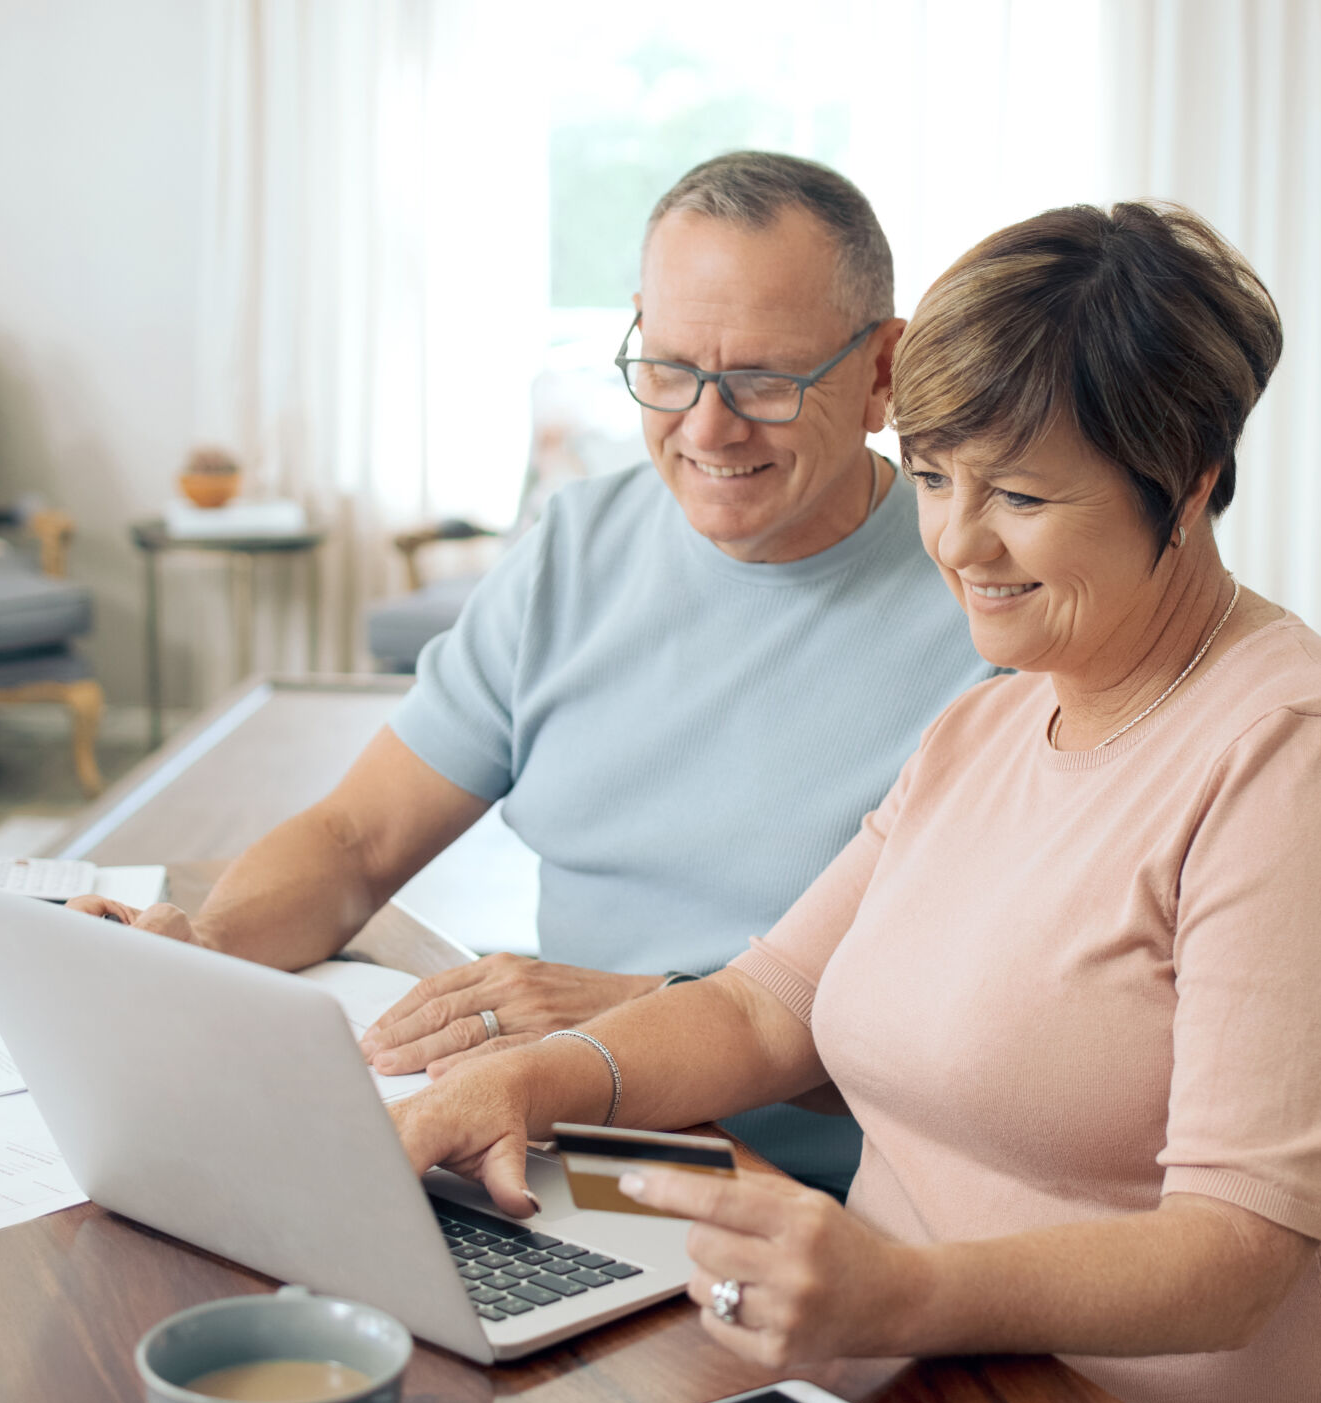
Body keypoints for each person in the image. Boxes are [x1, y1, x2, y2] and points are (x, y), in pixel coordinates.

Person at [387, 202, 1321, 1403]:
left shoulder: (1308, 765)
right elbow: (764, 1004)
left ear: (1193, 479)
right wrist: (524, 1079)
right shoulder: (996, 719)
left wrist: (905, 1297)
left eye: (1022, 496)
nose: (959, 542)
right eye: (934, 475)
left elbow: (1232, 1261)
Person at [74, 152, 993, 1195]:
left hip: (820, 1207)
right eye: (668, 367)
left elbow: (972, 1043)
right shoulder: (574, 548)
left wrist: (636, 1016)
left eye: (763, 382)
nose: (705, 426)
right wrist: (203, 951)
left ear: (882, 372)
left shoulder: (988, 615)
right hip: (562, 1151)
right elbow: (356, 837)